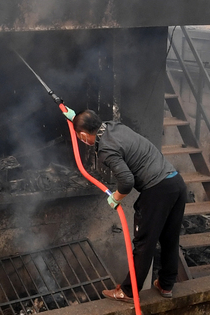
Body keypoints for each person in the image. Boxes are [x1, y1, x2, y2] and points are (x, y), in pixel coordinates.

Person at [72, 109, 186, 300]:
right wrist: (74, 117)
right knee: (170, 238)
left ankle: (127, 292)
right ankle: (166, 285)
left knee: (144, 243)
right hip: (176, 183)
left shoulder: (106, 150)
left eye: (79, 136)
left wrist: (116, 197)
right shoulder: (113, 126)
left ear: (83, 135)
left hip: (157, 190)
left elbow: (126, 181)